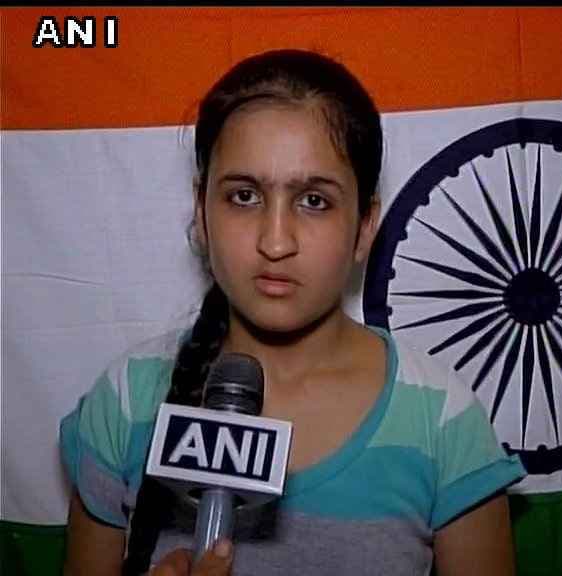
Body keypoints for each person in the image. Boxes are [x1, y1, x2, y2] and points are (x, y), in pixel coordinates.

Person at [60, 49, 526, 576]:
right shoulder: (126, 401)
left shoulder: (441, 419)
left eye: (314, 201)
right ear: (202, 212)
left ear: (365, 226)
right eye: (244, 196)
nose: (276, 242)